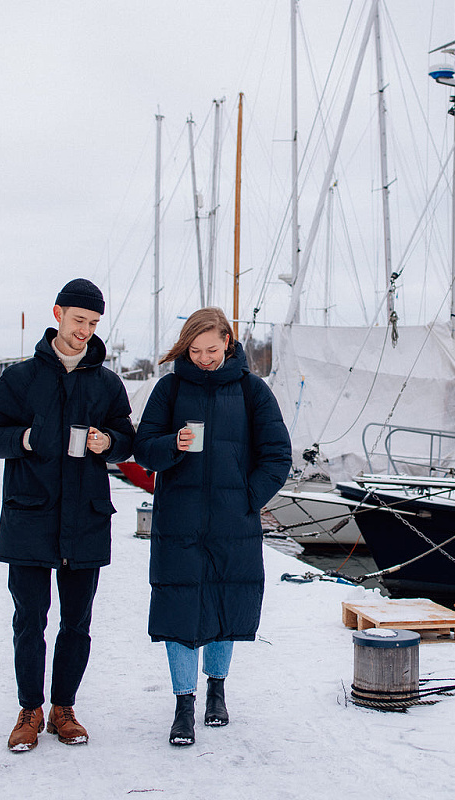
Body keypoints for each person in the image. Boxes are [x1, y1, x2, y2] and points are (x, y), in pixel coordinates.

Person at [0, 278, 134, 753]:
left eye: (94, 323)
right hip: (30, 515)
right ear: (58, 314)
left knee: (77, 622)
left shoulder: (106, 383)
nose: (86, 330)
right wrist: (24, 438)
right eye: (79, 319)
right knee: (29, 619)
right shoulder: (20, 378)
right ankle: (30, 709)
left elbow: (128, 439)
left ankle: (64, 708)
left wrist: (109, 442)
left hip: (85, 518)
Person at [134, 307, 291, 746]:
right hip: (178, 521)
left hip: (232, 521)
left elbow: (278, 455)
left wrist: (246, 499)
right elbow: (144, 449)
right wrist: (172, 444)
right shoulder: (168, 389)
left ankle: (216, 691)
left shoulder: (252, 391)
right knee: (179, 608)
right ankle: (183, 704)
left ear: (227, 342)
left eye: (211, 350)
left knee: (226, 602)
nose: (204, 358)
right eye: (195, 351)